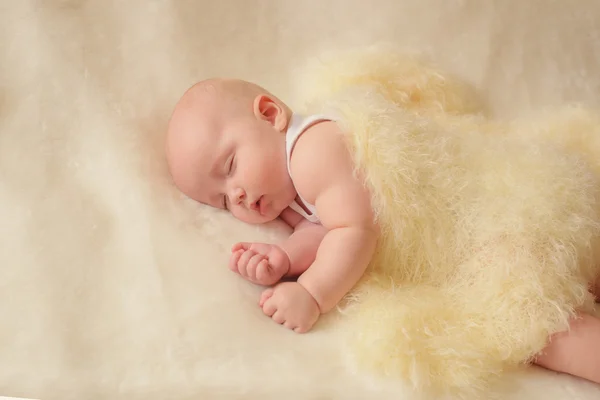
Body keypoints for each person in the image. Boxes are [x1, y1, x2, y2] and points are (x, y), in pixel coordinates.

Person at [165, 78, 600, 384]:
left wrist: (312, 293)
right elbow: (323, 229)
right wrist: (283, 260)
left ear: (270, 113)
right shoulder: (292, 187)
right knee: (571, 279)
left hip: (490, 219)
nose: (237, 195)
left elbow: (354, 232)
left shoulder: (312, 150)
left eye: (230, 167)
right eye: (221, 200)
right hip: (498, 222)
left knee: (531, 325)